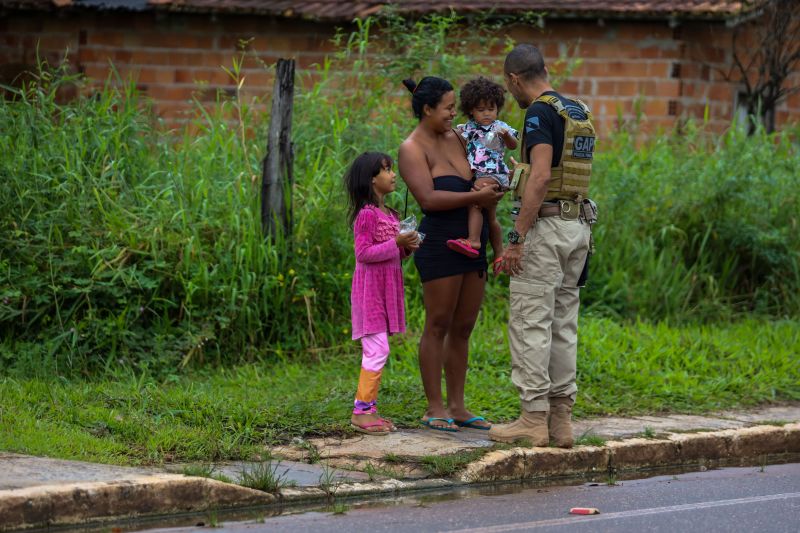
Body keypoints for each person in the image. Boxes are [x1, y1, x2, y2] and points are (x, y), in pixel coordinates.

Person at [488, 44, 597, 448]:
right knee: (563, 324)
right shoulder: (577, 111)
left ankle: (533, 419)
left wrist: (516, 237)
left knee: (531, 320)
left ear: (515, 79)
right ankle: (561, 423)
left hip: (547, 228)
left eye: (508, 84)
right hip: (578, 226)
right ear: (544, 70)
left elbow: (538, 178)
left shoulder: (538, 113)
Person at [398, 76, 504, 432]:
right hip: (440, 242)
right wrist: (476, 198)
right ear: (427, 109)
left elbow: (484, 170)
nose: (452, 113)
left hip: (474, 241)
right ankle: (435, 406)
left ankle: (458, 406)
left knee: (463, 327)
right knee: (438, 323)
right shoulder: (412, 148)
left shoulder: (459, 137)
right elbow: (428, 199)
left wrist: (491, 187)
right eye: (446, 107)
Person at [345, 151, 420, 435]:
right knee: (377, 349)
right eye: (387, 170)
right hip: (370, 294)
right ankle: (361, 412)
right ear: (371, 180)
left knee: (377, 349)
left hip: (386, 292)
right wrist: (396, 242)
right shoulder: (366, 215)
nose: (393, 175)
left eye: (391, 169)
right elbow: (363, 253)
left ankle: (369, 411)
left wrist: (406, 247)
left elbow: (393, 255)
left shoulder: (390, 214)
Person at [447, 76, 519, 272]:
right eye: (481, 110)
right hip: (480, 173)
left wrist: (506, 136)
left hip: (494, 173)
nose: (487, 114)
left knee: (475, 200)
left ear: (498, 108)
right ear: (471, 110)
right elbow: (453, 137)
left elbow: (513, 145)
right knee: (491, 216)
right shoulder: (469, 128)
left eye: (491, 109)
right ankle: (498, 254)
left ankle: (474, 240)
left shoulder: (500, 127)